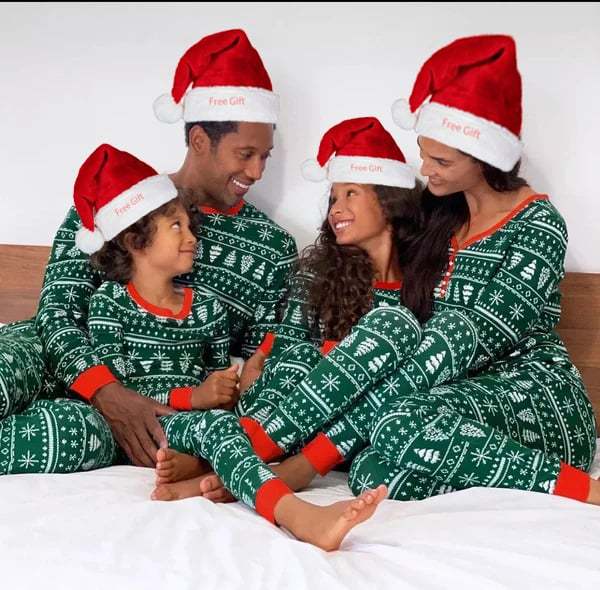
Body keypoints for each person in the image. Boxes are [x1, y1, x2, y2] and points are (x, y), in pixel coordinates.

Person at [0, 29, 297, 473]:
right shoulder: (114, 201)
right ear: (200, 140)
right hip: (53, 360)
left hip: (151, 405)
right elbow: (57, 312)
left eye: (266, 156)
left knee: (61, 435)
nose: (256, 171)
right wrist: (108, 393)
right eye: (245, 153)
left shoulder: (272, 249)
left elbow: (257, 366)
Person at [345, 34, 598, 505]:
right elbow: (400, 315)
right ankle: (511, 477)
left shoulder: (539, 225)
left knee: (396, 420)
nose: (426, 169)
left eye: (441, 160)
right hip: (458, 400)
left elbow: (476, 335)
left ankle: (586, 491)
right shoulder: (438, 217)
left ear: (485, 158)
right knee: (370, 471)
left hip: (537, 397)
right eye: (423, 152)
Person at [150, 116, 428, 499]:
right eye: (333, 198)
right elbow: (286, 348)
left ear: (389, 201)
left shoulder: (424, 284)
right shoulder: (316, 275)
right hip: (295, 413)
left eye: (351, 194)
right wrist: (264, 363)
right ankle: (241, 458)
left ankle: (222, 462)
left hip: (359, 426)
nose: (336, 209)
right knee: (299, 359)